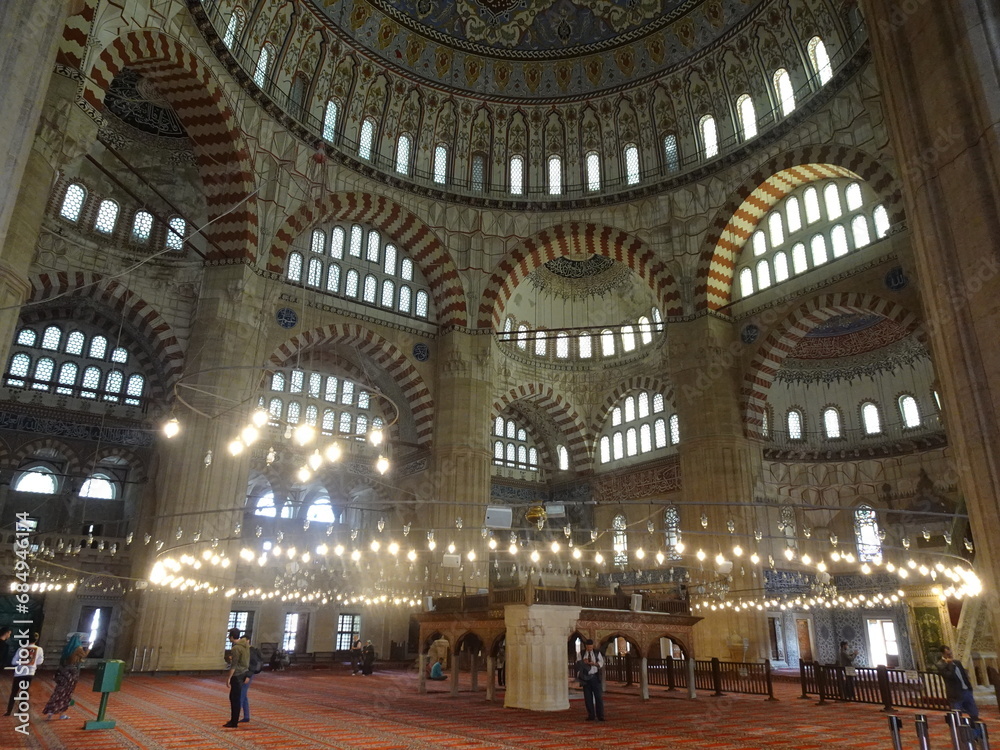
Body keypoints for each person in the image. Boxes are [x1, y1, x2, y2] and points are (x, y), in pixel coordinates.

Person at [42, 633, 89, 720]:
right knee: (66, 693)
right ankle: (61, 713)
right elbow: (84, 655)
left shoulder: (68, 648)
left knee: (58, 692)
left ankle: (50, 712)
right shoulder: (78, 648)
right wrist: (89, 648)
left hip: (64, 671)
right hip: (71, 672)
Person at [935, 645, 981, 730]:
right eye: (947, 654)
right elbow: (950, 676)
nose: (950, 655)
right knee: (957, 718)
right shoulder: (940, 664)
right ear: (943, 654)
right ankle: (961, 737)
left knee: (974, 714)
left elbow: (964, 675)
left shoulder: (957, 662)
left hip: (966, 691)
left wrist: (969, 687)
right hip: (955, 694)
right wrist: (949, 664)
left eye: (950, 653)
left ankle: (978, 734)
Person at [5, 632, 43, 716]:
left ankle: (9, 711)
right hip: (30, 673)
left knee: (14, 692)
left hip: (19, 673)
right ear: (37, 640)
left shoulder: (21, 649)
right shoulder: (39, 649)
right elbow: (40, 661)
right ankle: (20, 711)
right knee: (24, 691)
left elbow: (13, 662)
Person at [223, 628, 250, 728]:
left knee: (234, 699)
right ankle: (234, 720)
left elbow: (234, 665)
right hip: (243, 673)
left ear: (232, 636)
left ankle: (234, 722)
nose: (228, 638)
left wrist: (228, 678)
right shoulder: (245, 645)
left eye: (229, 635)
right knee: (237, 698)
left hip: (237, 675)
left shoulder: (236, 648)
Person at [578, 639, 605, 722]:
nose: (589, 648)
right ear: (586, 646)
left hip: (595, 678)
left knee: (598, 697)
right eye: (588, 647)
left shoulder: (597, 653)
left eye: (591, 647)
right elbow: (578, 664)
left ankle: (600, 716)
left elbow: (601, 663)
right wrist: (583, 662)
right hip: (586, 678)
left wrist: (594, 664)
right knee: (588, 698)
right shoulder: (581, 653)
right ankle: (591, 715)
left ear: (593, 646)